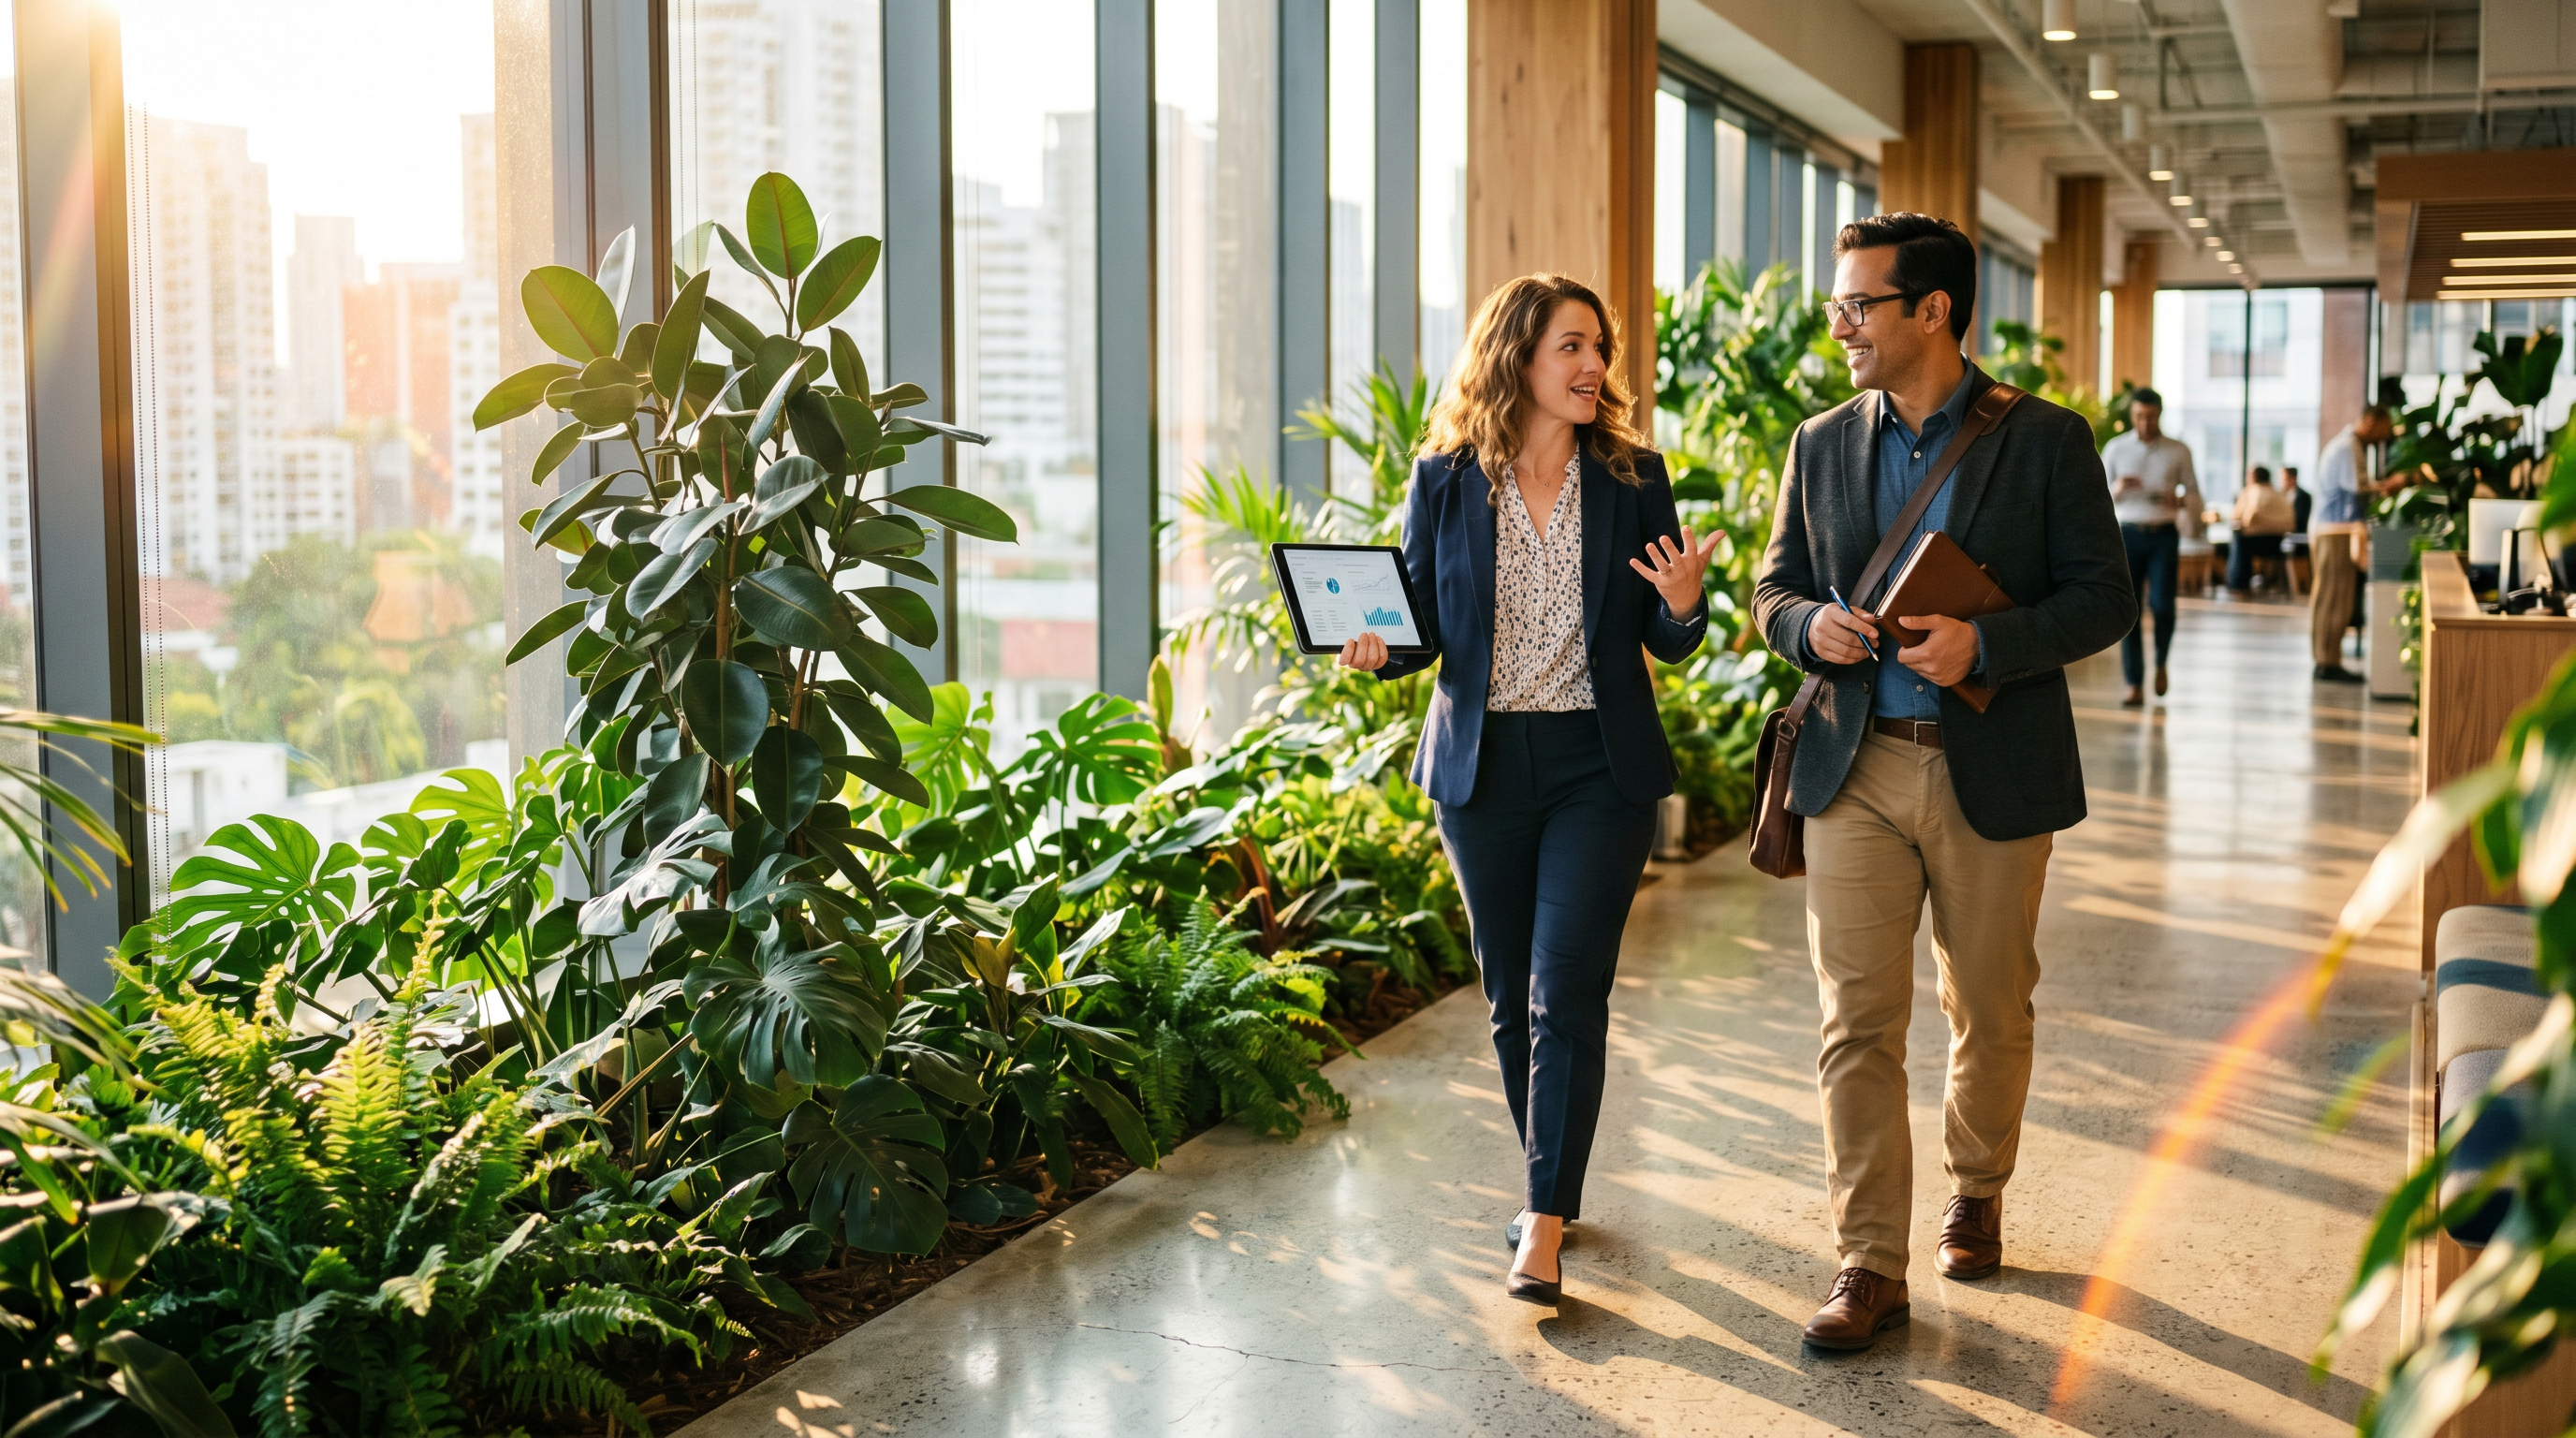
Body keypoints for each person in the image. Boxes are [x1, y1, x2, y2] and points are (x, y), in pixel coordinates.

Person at [1751, 213, 2134, 1352]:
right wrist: (1809, 622)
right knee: (1853, 1023)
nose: (1840, 324)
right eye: (1840, 304)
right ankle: (1868, 1260)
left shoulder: (2046, 440)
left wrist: (1992, 646)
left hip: (1990, 767)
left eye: (1859, 303)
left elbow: (2104, 598)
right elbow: (1774, 590)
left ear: (1933, 311)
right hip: (1854, 769)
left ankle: (1977, 1186)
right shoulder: (1819, 442)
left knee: (1991, 1005)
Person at [1339, 273, 1715, 1308]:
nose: (1595, 366)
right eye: (1572, 347)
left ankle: (1542, 1220)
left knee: (1566, 992)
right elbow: (1418, 624)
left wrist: (1682, 605)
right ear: (1516, 358)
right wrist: (1377, 652)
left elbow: (1665, 638)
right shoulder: (1447, 479)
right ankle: (1547, 1181)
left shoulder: (1634, 476)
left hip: (1601, 772)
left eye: (1599, 348)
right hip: (1482, 773)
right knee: (1511, 1002)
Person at [2099, 389, 2203, 706]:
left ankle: (2160, 663)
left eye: (2152, 416)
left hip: (2163, 534)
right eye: (2140, 417)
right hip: (2127, 534)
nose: (2145, 423)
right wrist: (2117, 488)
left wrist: (2181, 500)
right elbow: (2096, 498)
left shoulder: (2178, 450)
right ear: (2132, 416)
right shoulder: (2116, 449)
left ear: (2160, 414)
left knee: (2163, 606)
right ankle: (2133, 683)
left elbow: (2197, 495)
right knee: (2130, 610)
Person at [2310, 406, 2397, 682]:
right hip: (2337, 531)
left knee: (2331, 596)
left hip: (2333, 530)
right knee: (2334, 598)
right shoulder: (2348, 446)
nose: (2389, 433)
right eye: (2387, 426)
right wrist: (2387, 487)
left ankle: (2326, 659)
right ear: (2372, 421)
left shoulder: (2347, 445)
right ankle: (2327, 662)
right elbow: (2356, 489)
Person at [2227, 466, 2295, 594]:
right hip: (2280, 543)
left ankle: (2238, 585)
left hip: (2258, 542)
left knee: (2239, 540)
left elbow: (2246, 517)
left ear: (2253, 478)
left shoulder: (2253, 492)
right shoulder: (2278, 494)